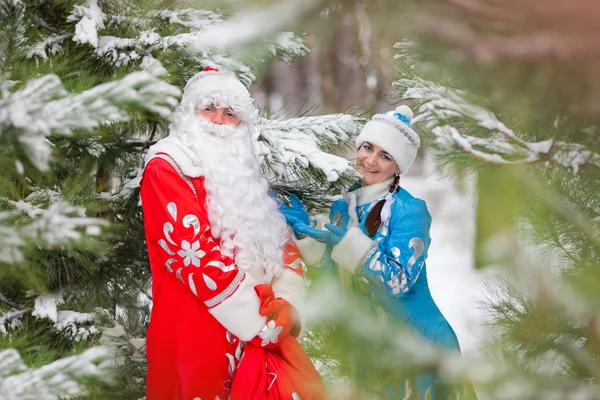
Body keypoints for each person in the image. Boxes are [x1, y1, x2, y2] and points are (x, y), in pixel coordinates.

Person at [140, 67, 325, 400]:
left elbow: (279, 240)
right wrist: (261, 324)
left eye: (230, 113)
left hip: (259, 336)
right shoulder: (166, 166)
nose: (218, 121)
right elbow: (193, 255)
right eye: (208, 108)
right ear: (188, 113)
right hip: (196, 338)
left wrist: (287, 303)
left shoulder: (244, 170)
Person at [281, 106, 473, 399]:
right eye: (367, 148)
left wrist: (351, 245)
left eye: (385, 155)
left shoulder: (410, 211)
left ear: (398, 167)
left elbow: (399, 281)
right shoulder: (342, 206)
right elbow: (335, 284)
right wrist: (307, 236)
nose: (370, 160)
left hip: (417, 345)